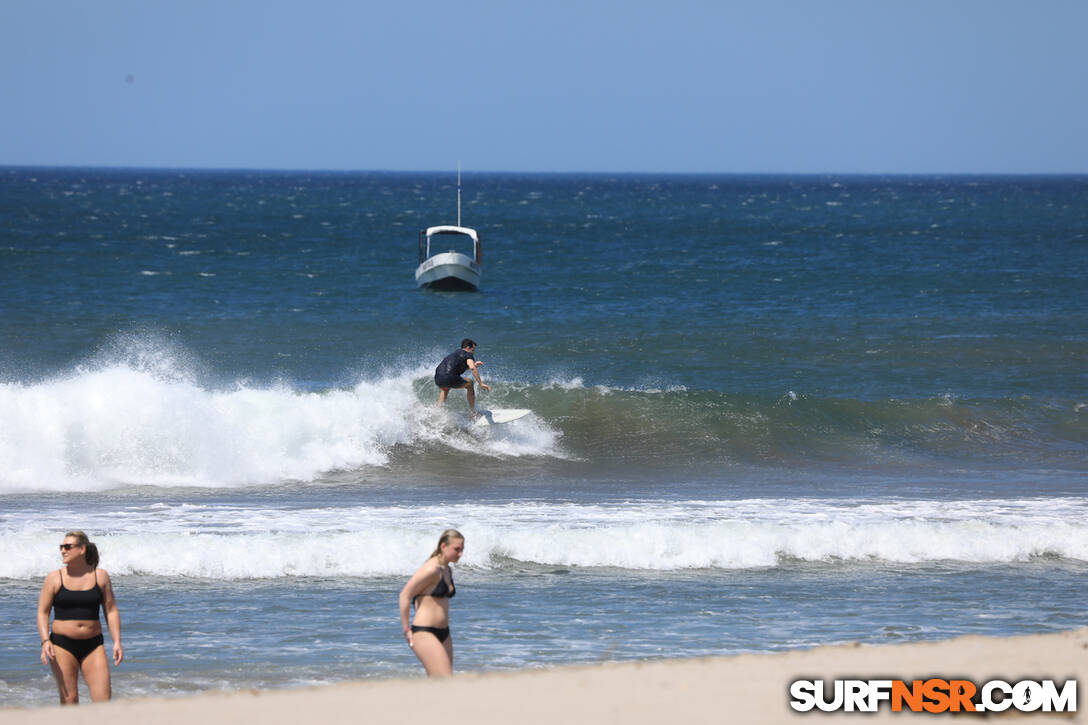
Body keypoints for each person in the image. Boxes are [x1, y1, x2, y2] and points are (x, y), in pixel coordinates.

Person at [37, 530, 123, 704]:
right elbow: (42, 612)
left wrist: (117, 642)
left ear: (82, 549)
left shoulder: (100, 576)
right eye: (61, 547)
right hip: (61, 645)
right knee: (70, 700)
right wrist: (45, 641)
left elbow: (111, 610)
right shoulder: (54, 578)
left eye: (68, 546)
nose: (63, 550)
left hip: (93, 644)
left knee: (103, 700)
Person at [398, 529, 464, 677]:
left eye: (462, 550)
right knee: (444, 680)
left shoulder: (446, 569)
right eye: (456, 549)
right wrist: (406, 629)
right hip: (424, 632)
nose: (460, 554)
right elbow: (405, 595)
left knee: (441, 682)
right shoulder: (431, 569)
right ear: (443, 546)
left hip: (444, 633)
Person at [434, 338, 490, 417]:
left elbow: (455, 368)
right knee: (470, 384)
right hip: (450, 378)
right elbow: (472, 368)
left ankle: (438, 412)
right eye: (473, 350)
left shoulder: (455, 353)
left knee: (445, 388)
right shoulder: (468, 354)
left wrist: (474, 365)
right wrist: (481, 383)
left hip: (438, 378)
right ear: (467, 348)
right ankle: (472, 413)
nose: (473, 353)